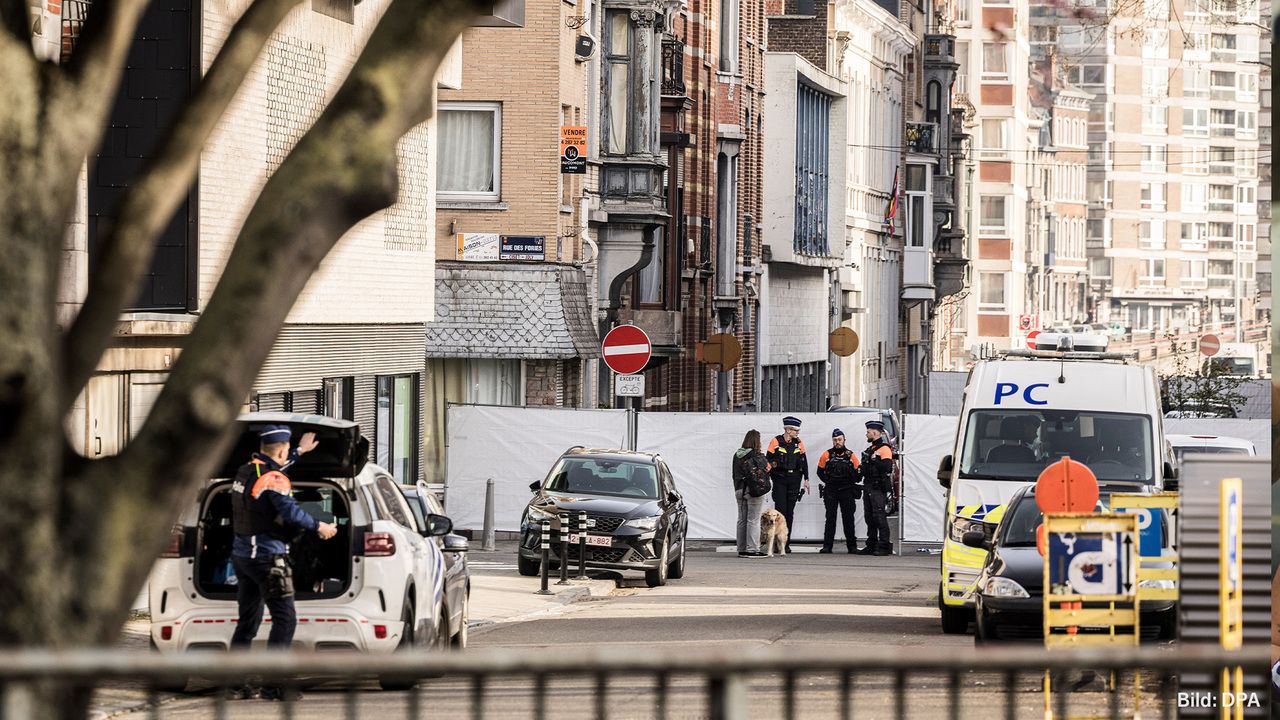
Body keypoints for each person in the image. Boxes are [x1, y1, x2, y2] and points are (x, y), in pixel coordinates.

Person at [230, 425, 337, 699]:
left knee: (247, 622)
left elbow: (274, 470)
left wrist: (300, 452)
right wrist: (319, 527)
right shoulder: (274, 480)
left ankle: (234, 682)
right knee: (285, 619)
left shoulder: (246, 471)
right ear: (280, 450)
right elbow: (291, 513)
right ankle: (274, 684)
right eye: (287, 450)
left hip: (243, 557)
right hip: (267, 558)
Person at [766, 416, 809, 552]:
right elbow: (768, 460)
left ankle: (785, 543)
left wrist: (806, 479)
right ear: (788, 430)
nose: (797, 433)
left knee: (789, 513)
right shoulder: (776, 441)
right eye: (796, 430)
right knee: (779, 513)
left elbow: (804, 461)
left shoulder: (799, 443)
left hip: (794, 480)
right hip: (779, 480)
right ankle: (774, 543)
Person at [817, 428, 861, 553]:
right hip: (831, 490)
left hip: (847, 491)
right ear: (832, 440)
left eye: (839, 439)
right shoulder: (826, 454)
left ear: (844, 440)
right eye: (835, 440)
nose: (837, 442)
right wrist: (830, 482)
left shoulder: (851, 455)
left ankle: (852, 547)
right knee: (830, 518)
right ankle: (827, 546)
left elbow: (858, 473)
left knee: (848, 519)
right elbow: (819, 472)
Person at [857, 420, 895, 556]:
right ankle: (871, 544)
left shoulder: (884, 449)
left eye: (868, 432)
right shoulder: (871, 449)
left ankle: (884, 546)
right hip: (868, 486)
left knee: (879, 516)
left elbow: (886, 467)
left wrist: (874, 459)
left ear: (874, 432)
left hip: (878, 487)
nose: (866, 434)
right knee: (869, 517)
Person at [732, 430, 770, 558]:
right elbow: (765, 470)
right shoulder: (756, 455)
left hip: (739, 490)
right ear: (756, 441)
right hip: (753, 491)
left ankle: (742, 549)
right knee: (753, 520)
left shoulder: (737, 454)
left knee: (742, 519)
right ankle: (753, 549)